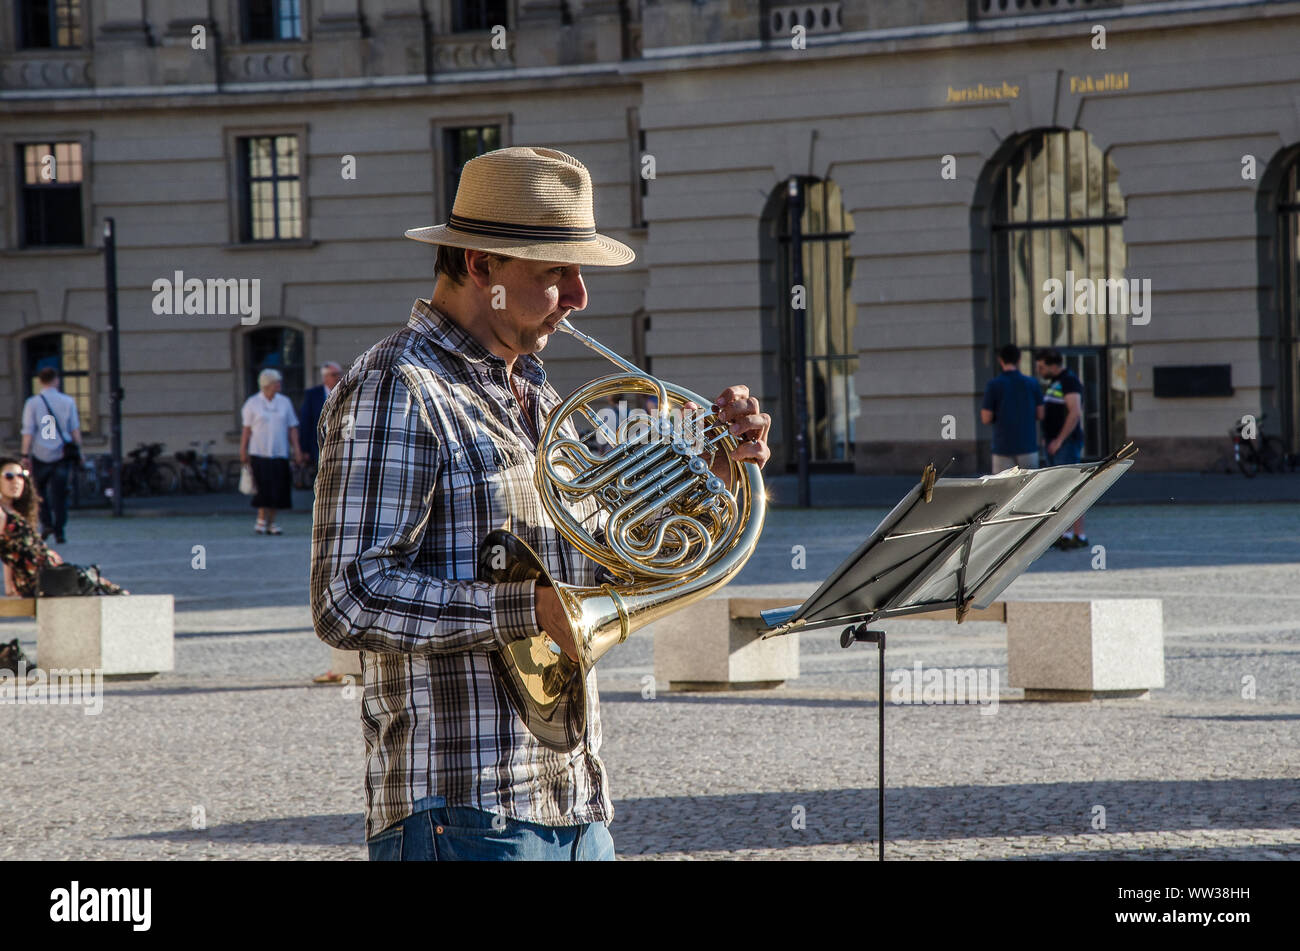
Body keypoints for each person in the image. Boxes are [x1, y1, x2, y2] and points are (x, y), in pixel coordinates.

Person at [310, 146, 771, 862]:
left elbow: (609, 555)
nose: (581, 295)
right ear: (480, 266)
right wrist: (526, 611)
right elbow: (349, 597)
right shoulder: (396, 386)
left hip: (573, 801)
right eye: (557, 271)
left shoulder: (537, 396)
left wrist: (711, 472)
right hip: (461, 808)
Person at [1, 457, 126, 598]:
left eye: (21, 475)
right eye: (9, 476)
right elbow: (6, 552)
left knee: (91, 580)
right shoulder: (1, 514)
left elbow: (10, 553)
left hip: (50, 574)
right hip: (40, 581)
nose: (17, 481)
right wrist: (11, 587)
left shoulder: (14, 511)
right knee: (90, 581)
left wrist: (9, 586)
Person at [19, 367, 83, 544]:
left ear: (40, 381)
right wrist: (80, 451)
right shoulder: (67, 401)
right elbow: (74, 429)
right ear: (56, 380)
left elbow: (28, 431)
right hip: (62, 453)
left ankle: (47, 523)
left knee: (39, 493)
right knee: (60, 494)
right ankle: (60, 530)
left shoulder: (32, 403)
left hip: (40, 452)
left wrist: (25, 454)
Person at [1035, 348, 1089, 549]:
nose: (1039, 371)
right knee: (1059, 490)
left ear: (1052, 365)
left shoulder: (1069, 381)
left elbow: (1075, 413)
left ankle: (1079, 535)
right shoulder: (1054, 383)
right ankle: (1065, 534)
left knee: (1071, 488)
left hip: (1066, 444)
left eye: (1041, 367)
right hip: (1054, 444)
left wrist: (1059, 440)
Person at [240, 368, 305, 536]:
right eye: (277, 382)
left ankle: (272, 522)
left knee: (277, 488)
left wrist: (297, 449)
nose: (280, 384)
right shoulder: (252, 403)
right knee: (263, 488)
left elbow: (292, 428)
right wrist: (243, 450)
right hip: (259, 452)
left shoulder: (284, 402)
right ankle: (261, 520)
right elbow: (246, 430)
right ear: (267, 384)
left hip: (280, 452)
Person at [980, 343, 1044, 473]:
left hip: (1002, 447)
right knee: (1030, 488)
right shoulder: (1032, 383)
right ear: (1019, 360)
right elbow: (1041, 414)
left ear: (1000, 360)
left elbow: (986, 418)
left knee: (1002, 489)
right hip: (1028, 445)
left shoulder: (994, 385)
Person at [298, 361, 342, 467]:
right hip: (318, 444)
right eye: (334, 375)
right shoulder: (312, 394)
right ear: (325, 377)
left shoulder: (343, 392)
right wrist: (304, 449)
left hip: (338, 443)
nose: (338, 377)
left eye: (339, 374)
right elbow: (305, 422)